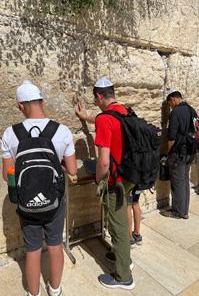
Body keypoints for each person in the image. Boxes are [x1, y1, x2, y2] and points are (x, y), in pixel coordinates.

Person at [1, 80, 77, 296]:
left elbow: (8, 176)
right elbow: (71, 169)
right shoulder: (61, 131)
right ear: (42, 101)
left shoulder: (10, 134)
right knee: (55, 245)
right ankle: (55, 289)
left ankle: (33, 293)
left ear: (20, 106)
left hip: (27, 205)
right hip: (54, 201)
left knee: (32, 251)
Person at [76, 77, 135, 290]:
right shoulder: (124, 111)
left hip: (114, 179)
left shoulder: (104, 119)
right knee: (119, 219)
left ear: (100, 96)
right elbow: (107, 121)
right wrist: (87, 117)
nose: (95, 101)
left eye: (95, 98)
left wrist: (98, 182)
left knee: (117, 225)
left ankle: (123, 276)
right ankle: (121, 254)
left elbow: (103, 161)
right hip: (129, 175)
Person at [165, 89, 197, 219]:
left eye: (169, 104)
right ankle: (184, 211)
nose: (170, 106)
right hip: (191, 151)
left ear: (173, 99)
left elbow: (172, 137)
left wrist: (168, 152)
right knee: (184, 181)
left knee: (177, 182)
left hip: (178, 153)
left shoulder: (176, 113)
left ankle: (178, 212)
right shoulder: (192, 110)